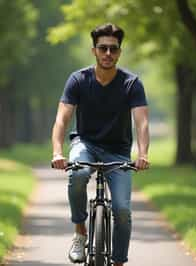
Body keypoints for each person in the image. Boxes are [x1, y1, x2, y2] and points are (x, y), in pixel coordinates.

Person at [51, 23, 150, 266]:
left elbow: (142, 122)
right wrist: (57, 151)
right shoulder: (78, 80)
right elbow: (62, 119)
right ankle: (79, 232)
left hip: (118, 151)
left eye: (113, 49)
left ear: (119, 52)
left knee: (122, 211)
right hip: (86, 143)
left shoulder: (131, 83)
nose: (108, 53)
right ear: (93, 50)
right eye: (103, 48)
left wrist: (143, 153)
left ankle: (117, 262)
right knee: (78, 173)